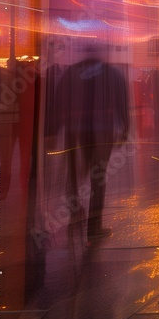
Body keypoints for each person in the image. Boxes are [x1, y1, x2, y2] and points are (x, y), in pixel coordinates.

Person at [54, 44, 130, 243]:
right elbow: (122, 101)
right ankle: (94, 226)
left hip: (77, 130)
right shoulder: (112, 74)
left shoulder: (71, 72)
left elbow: (60, 99)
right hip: (103, 131)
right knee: (98, 175)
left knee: (78, 172)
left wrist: (55, 129)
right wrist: (125, 128)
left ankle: (74, 211)